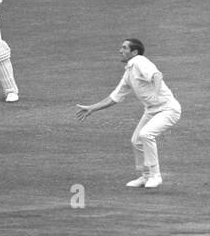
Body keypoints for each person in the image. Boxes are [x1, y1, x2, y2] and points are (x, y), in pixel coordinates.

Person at [74, 38, 181, 189]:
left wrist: (157, 94)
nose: (120, 51)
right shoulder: (129, 71)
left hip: (168, 109)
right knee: (136, 140)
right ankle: (145, 176)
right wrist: (92, 108)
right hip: (151, 111)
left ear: (134, 52)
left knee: (146, 135)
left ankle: (155, 175)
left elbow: (157, 75)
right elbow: (114, 97)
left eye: (124, 48)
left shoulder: (139, 61)